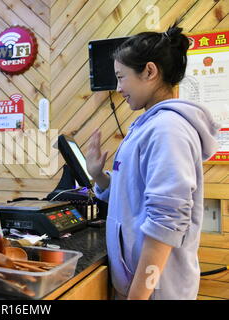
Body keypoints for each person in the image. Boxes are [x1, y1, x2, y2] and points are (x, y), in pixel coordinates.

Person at [85, 24, 220, 300]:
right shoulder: (148, 125)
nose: (119, 88)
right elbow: (132, 197)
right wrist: (99, 176)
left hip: (156, 292)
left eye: (122, 77)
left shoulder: (168, 129)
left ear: (149, 71)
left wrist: (138, 295)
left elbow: (166, 223)